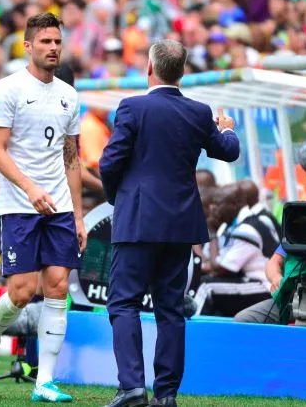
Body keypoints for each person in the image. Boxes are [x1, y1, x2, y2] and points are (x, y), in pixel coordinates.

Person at [99, 39, 240, 407]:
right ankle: (166, 395)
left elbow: (109, 163)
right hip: (180, 224)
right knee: (171, 309)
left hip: (138, 220)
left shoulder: (132, 107)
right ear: (182, 72)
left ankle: (132, 387)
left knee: (123, 302)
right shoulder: (199, 112)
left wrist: (118, 197)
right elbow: (229, 150)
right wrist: (227, 128)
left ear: (149, 68)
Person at [0, 13, 87, 403]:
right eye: (45, 42)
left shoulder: (69, 95)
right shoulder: (8, 89)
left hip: (58, 207)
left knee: (57, 286)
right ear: (27, 46)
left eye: (57, 42)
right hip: (18, 205)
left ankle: (45, 382)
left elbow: (71, 159)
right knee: (22, 292)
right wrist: (30, 188)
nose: (53, 48)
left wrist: (78, 215)